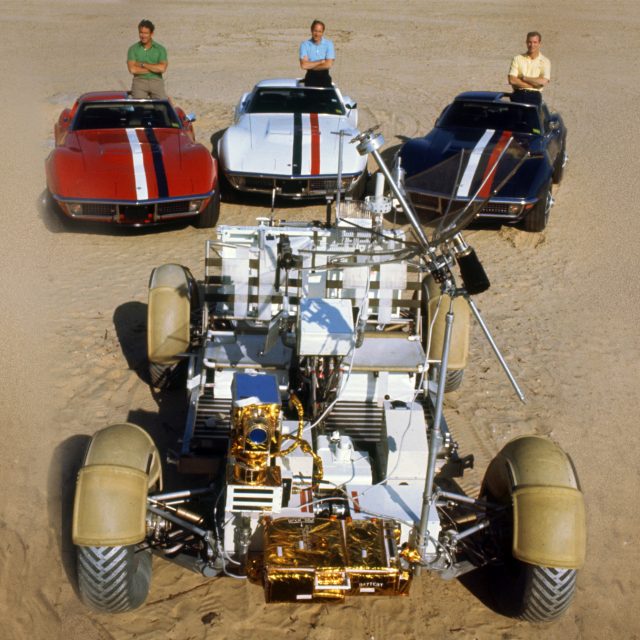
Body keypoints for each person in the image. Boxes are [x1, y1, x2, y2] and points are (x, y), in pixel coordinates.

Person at [127, 19, 168, 99]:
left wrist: (142, 64)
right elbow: (132, 70)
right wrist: (154, 68)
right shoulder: (133, 49)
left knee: (162, 107)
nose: (143, 36)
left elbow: (162, 68)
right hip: (139, 81)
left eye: (146, 33)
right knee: (139, 108)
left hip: (156, 81)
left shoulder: (160, 49)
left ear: (151, 33)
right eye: (141, 32)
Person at [508, 31, 550, 98]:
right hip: (518, 94)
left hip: (534, 96)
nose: (532, 45)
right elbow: (512, 80)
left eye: (535, 42)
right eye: (529, 42)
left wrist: (524, 78)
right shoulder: (517, 59)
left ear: (539, 43)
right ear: (526, 43)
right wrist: (532, 86)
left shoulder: (545, 61)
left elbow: (543, 81)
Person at [299, 20, 335, 87]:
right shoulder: (305, 45)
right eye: (315, 31)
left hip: (325, 80)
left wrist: (311, 65)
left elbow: (328, 65)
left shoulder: (329, 44)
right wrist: (320, 61)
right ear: (311, 30)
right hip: (310, 80)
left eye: (319, 31)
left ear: (322, 32)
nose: (317, 34)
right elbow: (304, 65)